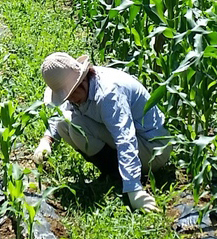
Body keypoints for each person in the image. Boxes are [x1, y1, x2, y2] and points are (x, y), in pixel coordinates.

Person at [33, 52, 171, 212]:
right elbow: (62, 111)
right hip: (140, 144)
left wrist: (134, 189)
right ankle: (113, 174)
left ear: (81, 82)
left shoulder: (109, 95)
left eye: (70, 95)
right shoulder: (84, 86)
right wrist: (47, 139)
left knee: (77, 126)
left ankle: (121, 178)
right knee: (65, 124)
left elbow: (125, 139)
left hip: (153, 150)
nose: (70, 100)